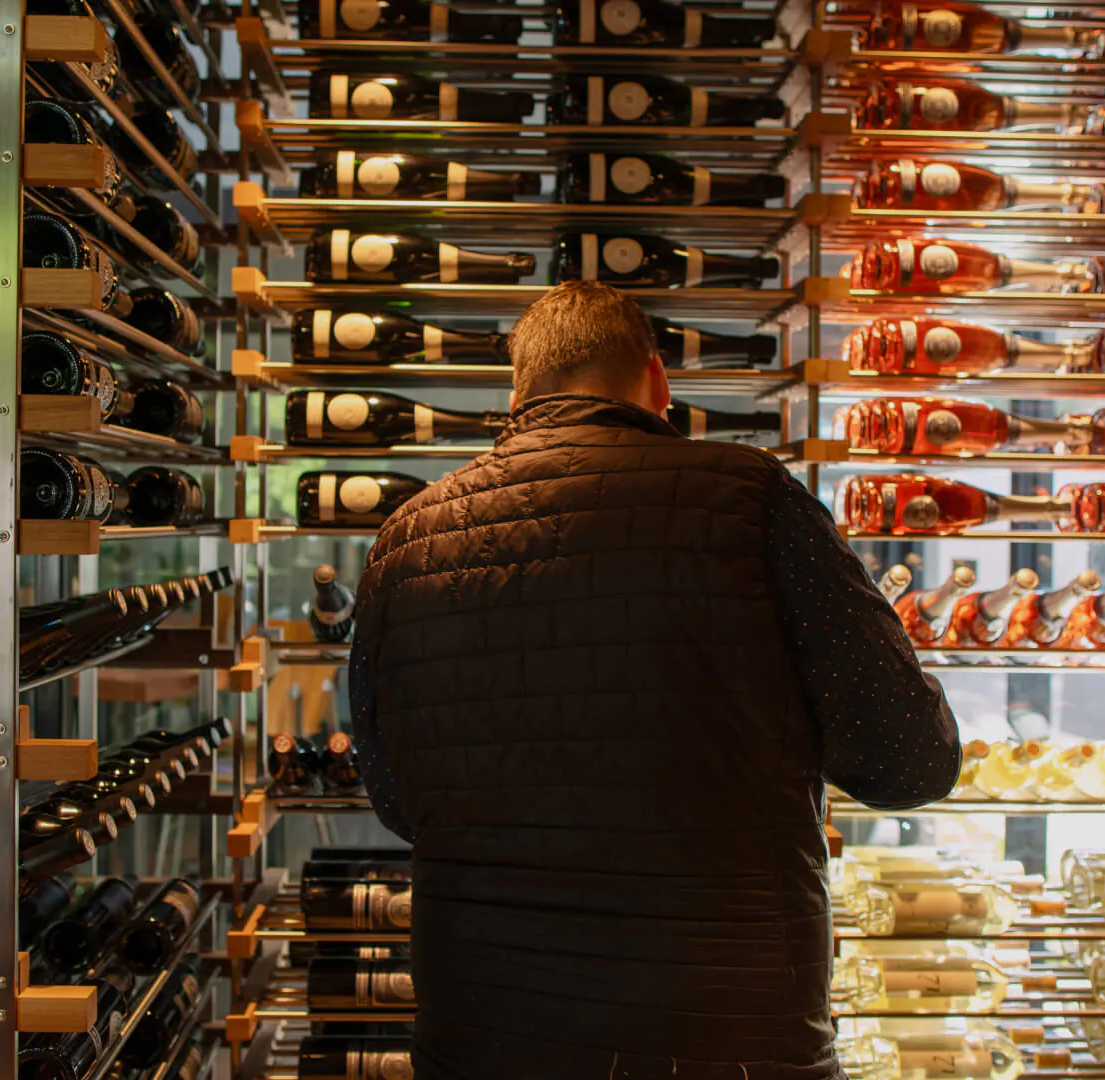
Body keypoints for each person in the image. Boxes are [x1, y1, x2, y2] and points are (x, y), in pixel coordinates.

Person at [348, 281, 961, 1080]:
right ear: (658, 380)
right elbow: (907, 758)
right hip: (726, 1037)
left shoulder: (407, 540)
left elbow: (396, 794)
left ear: (516, 392)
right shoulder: (752, 499)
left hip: (483, 1034)